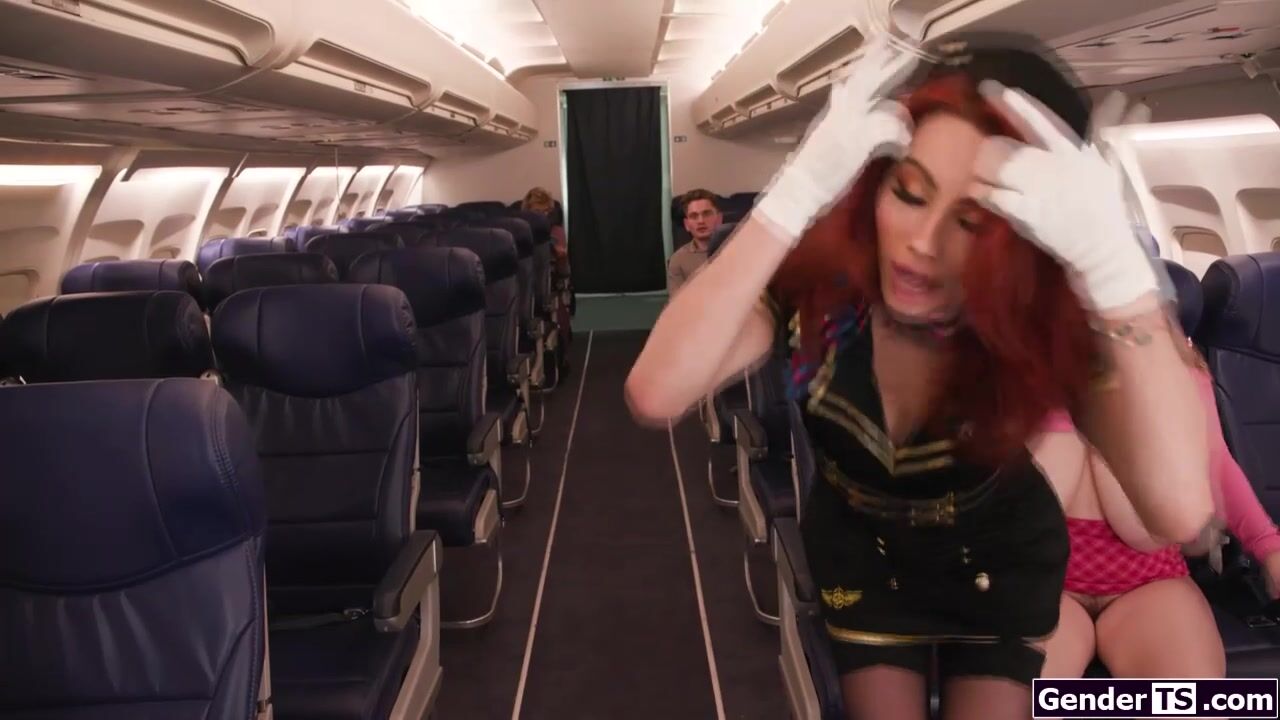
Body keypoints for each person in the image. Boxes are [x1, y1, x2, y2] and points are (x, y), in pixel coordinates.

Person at [625, 33, 1214, 720]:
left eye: (972, 221)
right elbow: (656, 391)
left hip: (998, 559)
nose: (922, 245)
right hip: (860, 550)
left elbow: (1178, 510)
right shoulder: (824, 283)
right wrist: (796, 192)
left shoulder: (1046, 320)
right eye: (909, 193)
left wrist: (1117, 272)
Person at [1039, 337, 1280, 679]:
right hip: (1041, 578)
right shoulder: (1016, 362)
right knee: (1014, 699)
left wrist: (1269, 547)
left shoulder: (1174, 367)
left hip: (1149, 578)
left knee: (1188, 698)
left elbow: (1215, 463)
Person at [666, 189, 723, 296]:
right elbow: (677, 302)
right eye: (694, 216)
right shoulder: (678, 260)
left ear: (719, 219)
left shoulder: (738, 249)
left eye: (707, 214)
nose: (701, 221)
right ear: (687, 224)